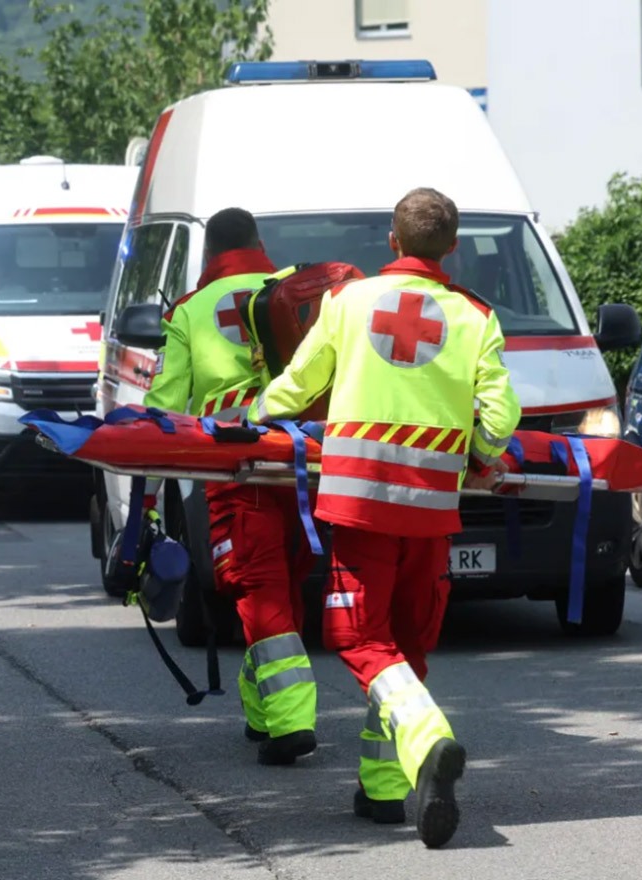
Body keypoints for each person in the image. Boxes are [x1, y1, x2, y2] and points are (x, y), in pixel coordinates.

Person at [247, 187, 522, 848]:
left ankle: (427, 738)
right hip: (431, 509)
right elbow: (499, 416)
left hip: (362, 502)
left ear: (391, 241)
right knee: (405, 643)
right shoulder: (476, 317)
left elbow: (301, 384)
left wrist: (254, 417)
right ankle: (385, 789)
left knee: (360, 638)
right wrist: (483, 456)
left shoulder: (348, 301)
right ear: (452, 247)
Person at [143, 207, 318, 767]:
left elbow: (165, 408)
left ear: (208, 254)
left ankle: (290, 722)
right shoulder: (295, 287)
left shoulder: (190, 311)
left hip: (236, 469)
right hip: (303, 464)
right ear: (258, 242)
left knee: (259, 586)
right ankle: (263, 710)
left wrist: (146, 495)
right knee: (283, 585)